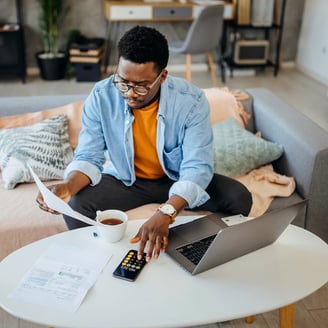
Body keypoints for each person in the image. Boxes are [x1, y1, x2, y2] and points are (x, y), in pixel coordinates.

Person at [37, 25, 252, 262]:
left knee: (239, 197)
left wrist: (167, 212)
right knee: (77, 203)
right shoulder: (101, 96)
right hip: (126, 180)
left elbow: (197, 167)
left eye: (141, 86)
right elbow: (89, 155)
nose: (129, 93)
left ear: (163, 76)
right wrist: (68, 186)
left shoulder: (191, 101)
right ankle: (102, 261)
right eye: (123, 82)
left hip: (176, 177)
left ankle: (190, 246)